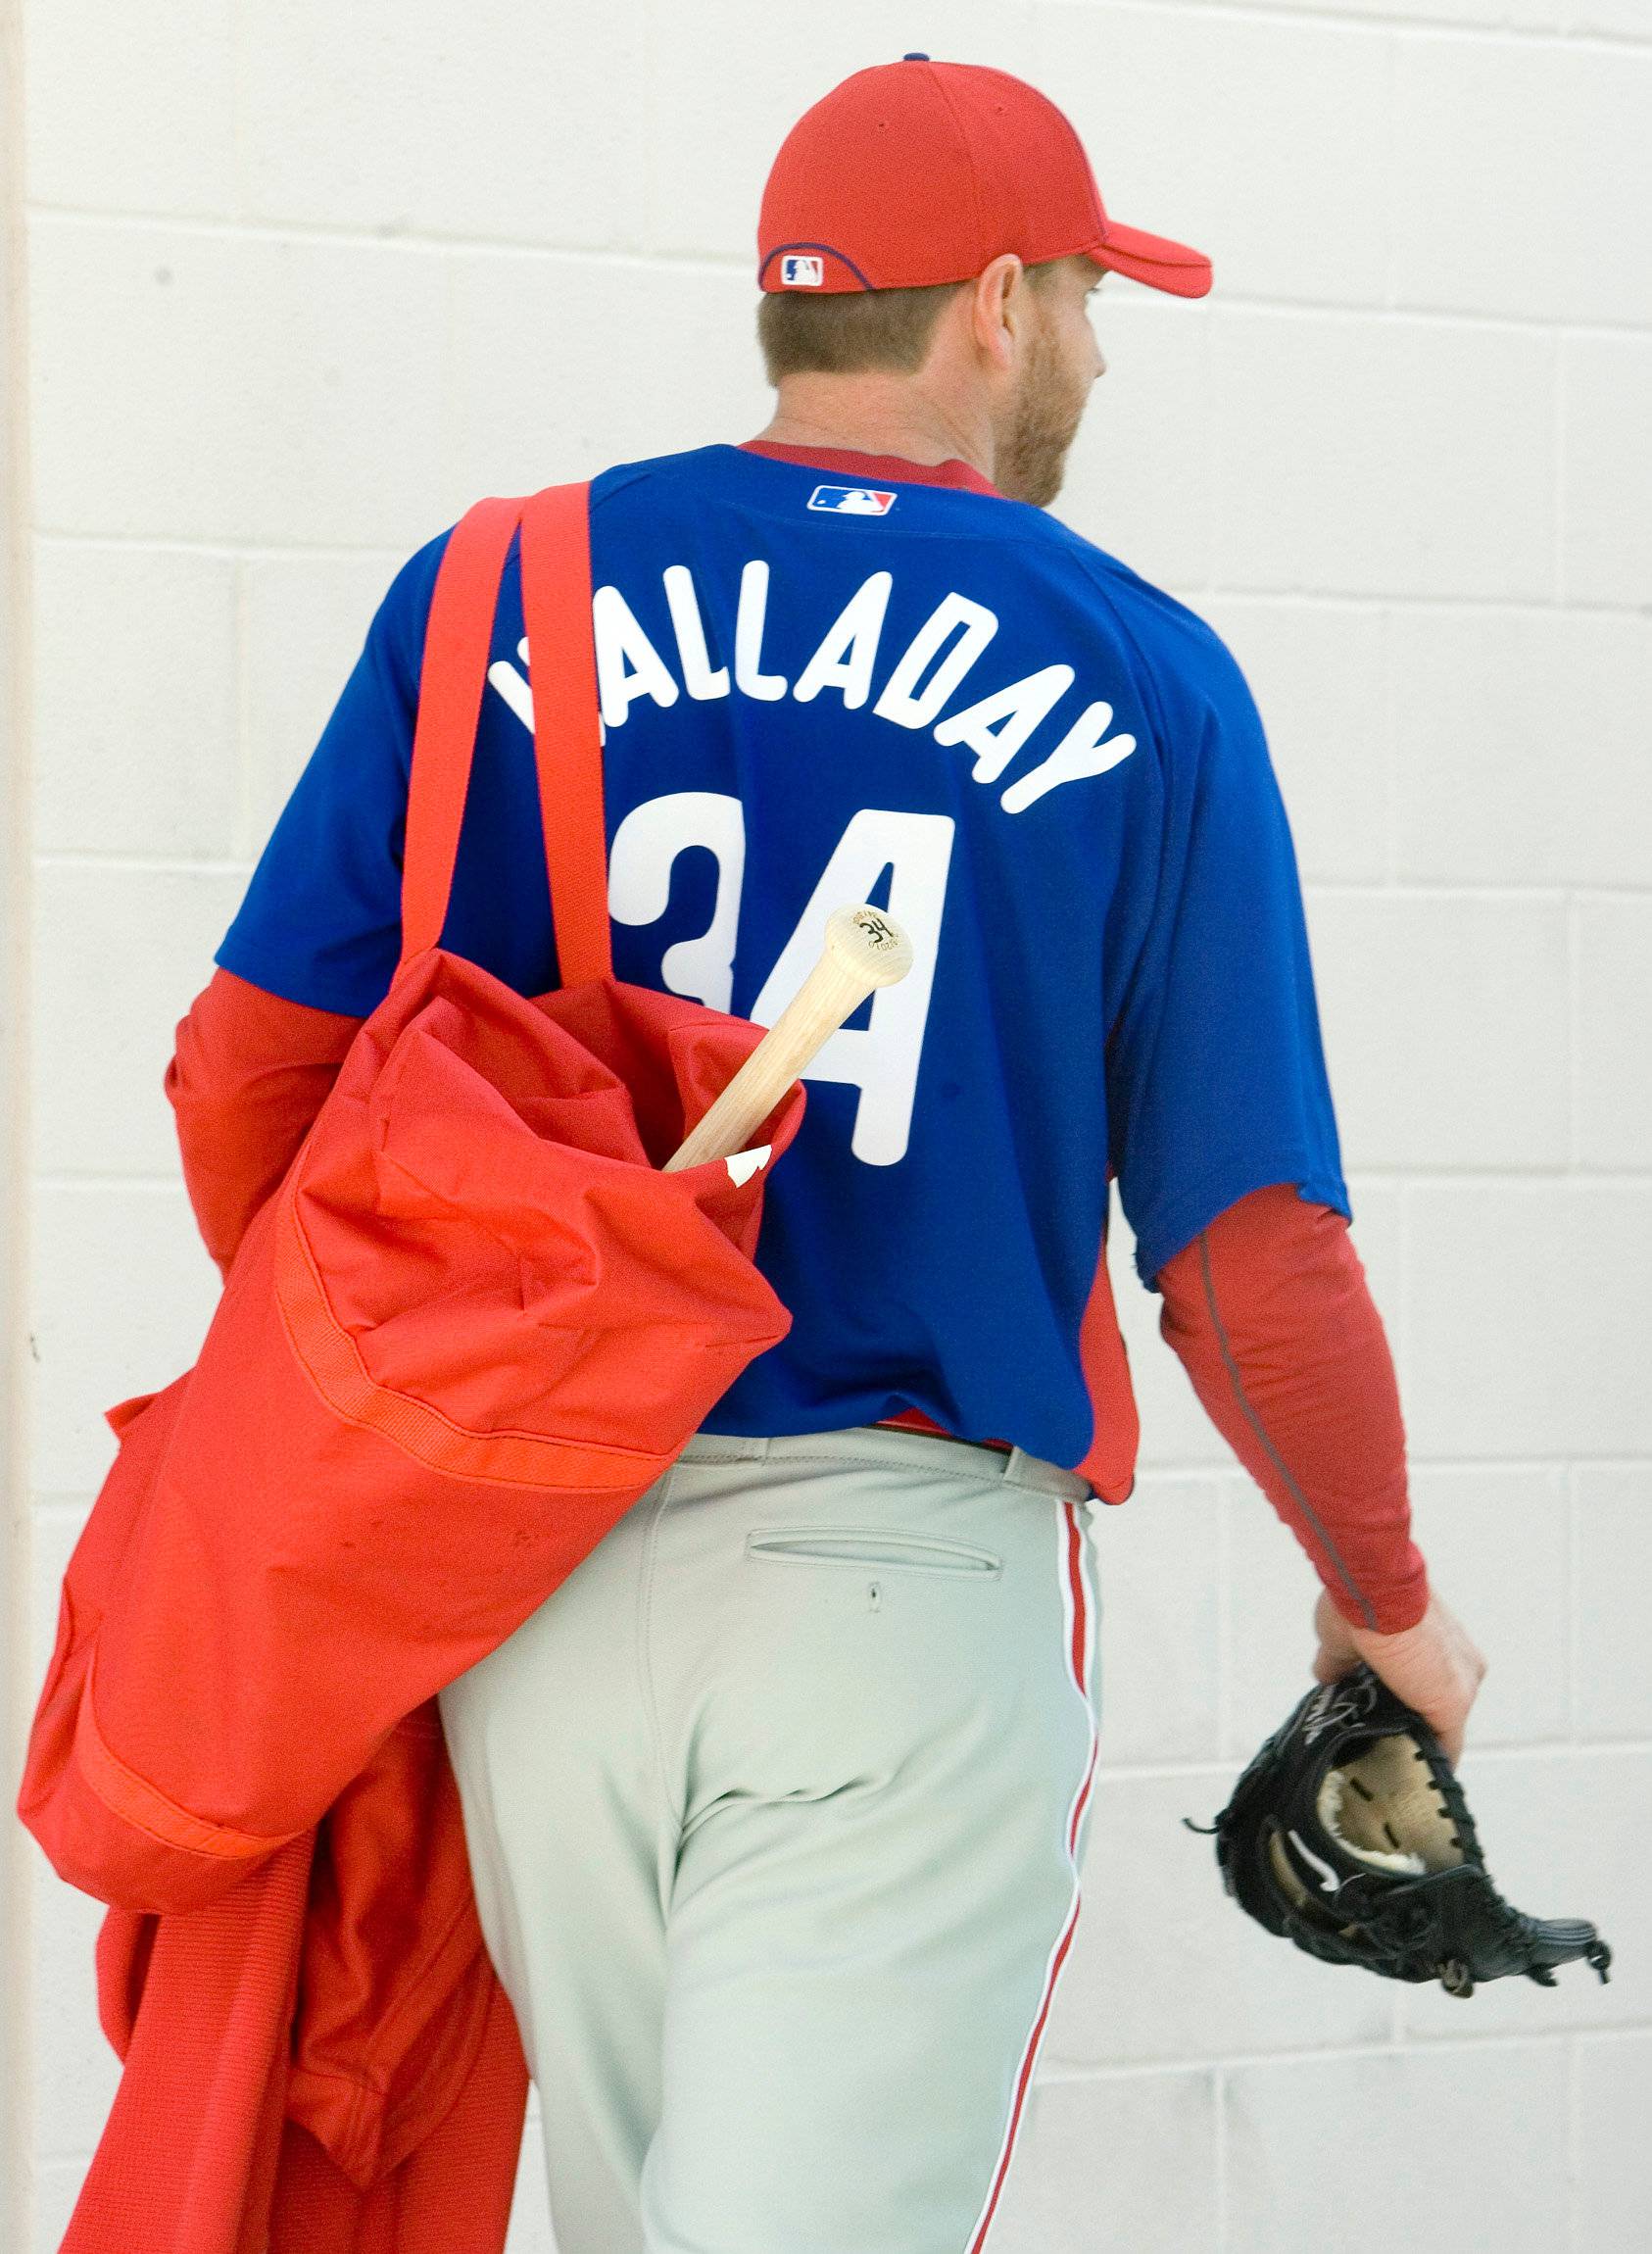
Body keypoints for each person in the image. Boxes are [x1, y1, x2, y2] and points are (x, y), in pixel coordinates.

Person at [165, 55, 1486, 2254]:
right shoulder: (1141, 668)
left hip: (541, 1597)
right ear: (991, 308)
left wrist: (397, 1424)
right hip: (894, 1593)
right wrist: (1383, 1594)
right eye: (1082, 296)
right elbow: (1250, 1255)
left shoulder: (493, 587)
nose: (1092, 345)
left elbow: (244, 1082)